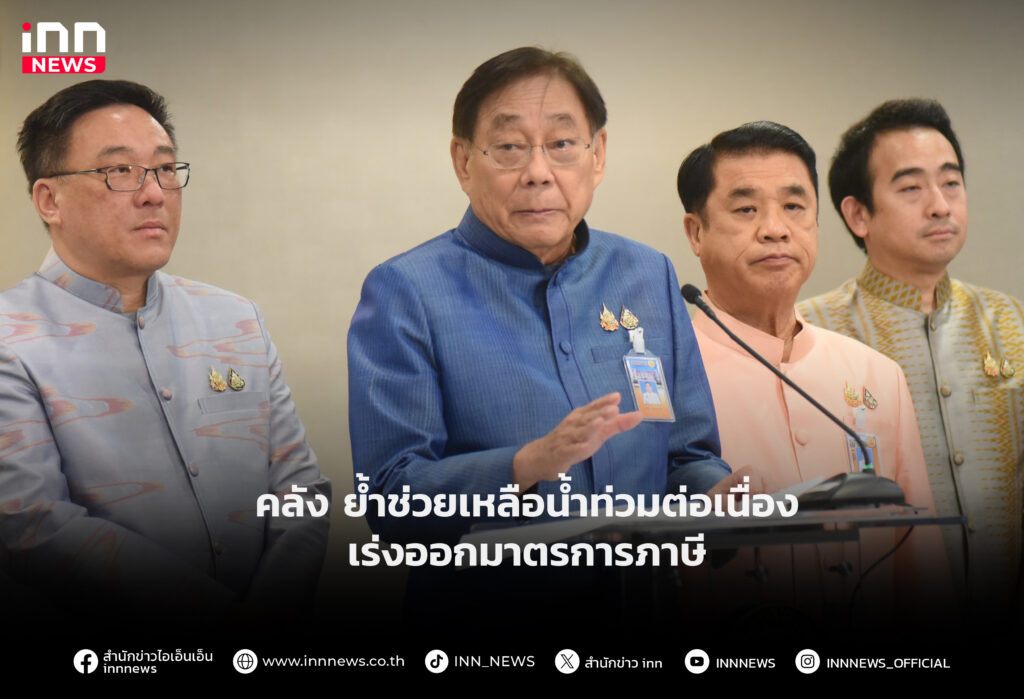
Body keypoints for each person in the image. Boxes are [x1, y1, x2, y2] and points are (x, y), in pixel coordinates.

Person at [348, 47, 735, 545]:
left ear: (597, 155)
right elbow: (390, 499)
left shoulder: (646, 274)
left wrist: (717, 493)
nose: (538, 171)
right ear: (463, 162)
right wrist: (526, 465)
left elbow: (687, 455)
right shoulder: (407, 291)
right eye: (510, 147)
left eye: (562, 143)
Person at [0, 80, 330, 621]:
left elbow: (301, 488)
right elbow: (33, 523)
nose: (154, 192)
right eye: (120, 170)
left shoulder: (235, 319)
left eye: (165, 168)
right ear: (49, 200)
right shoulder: (9, 338)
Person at [677, 121, 949, 619]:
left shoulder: (876, 375)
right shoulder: (668, 376)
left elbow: (920, 560)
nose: (775, 228)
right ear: (697, 232)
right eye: (746, 209)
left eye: (794, 207)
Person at [797, 99, 1023, 617]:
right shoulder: (811, 332)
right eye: (911, 188)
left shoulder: (1011, 320)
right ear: (858, 214)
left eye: (951, 182)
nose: (940, 205)